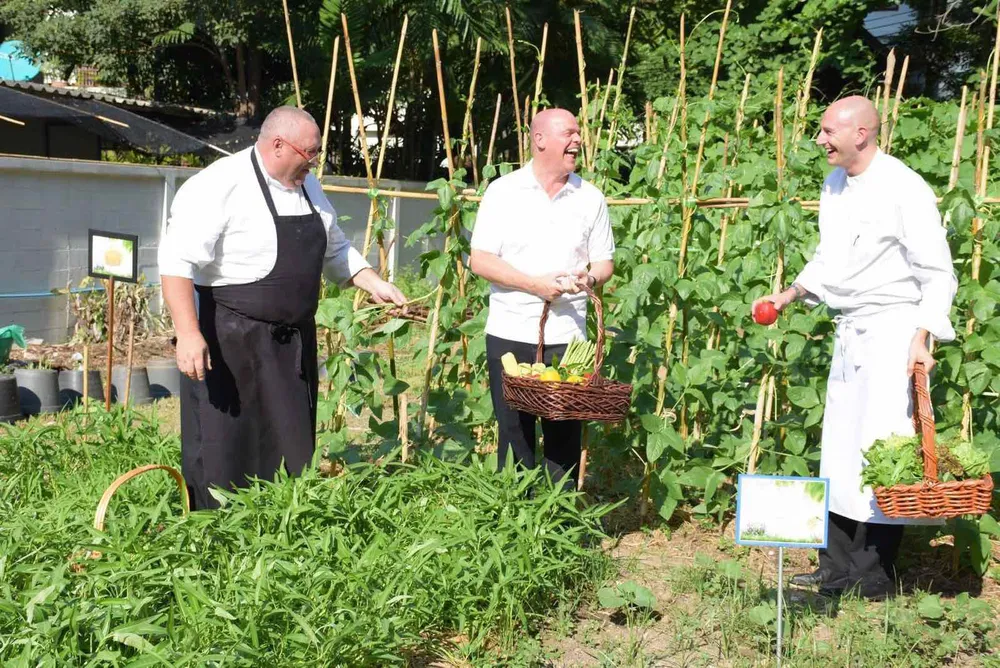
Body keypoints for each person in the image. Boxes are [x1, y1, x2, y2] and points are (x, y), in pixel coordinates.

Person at [754, 96, 957, 600]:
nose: (820, 140)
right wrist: (789, 294)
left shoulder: (904, 187)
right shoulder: (835, 183)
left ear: (861, 133)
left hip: (892, 328)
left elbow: (938, 272)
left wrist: (922, 336)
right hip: (851, 329)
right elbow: (829, 258)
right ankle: (834, 567)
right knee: (840, 450)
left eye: (828, 131)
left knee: (882, 449)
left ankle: (873, 575)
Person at [158, 106, 406, 510]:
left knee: (287, 438)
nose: (314, 162)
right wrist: (188, 333)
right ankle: (214, 527)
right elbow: (176, 262)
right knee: (227, 441)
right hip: (229, 338)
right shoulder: (219, 185)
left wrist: (373, 282)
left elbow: (336, 248)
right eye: (310, 153)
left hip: (291, 343)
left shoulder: (308, 186)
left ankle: (282, 519)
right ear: (277, 145)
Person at [469, 108, 615, 489]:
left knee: (564, 437)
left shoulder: (591, 198)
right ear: (540, 140)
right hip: (510, 329)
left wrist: (590, 278)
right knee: (514, 434)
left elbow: (604, 262)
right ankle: (514, 526)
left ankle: (560, 521)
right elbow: (480, 260)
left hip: (569, 337)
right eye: (568, 133)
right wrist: (534, 285)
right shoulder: (504, 192)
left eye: (578, 133)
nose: (577, 141)